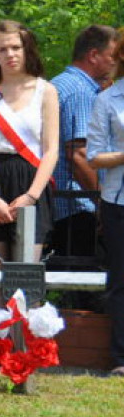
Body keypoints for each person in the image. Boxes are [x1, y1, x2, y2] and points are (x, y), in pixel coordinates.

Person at [0, 20, 59, 303]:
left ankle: (30, 344)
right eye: (3, 49)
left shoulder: (46, 91)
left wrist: (31, 195)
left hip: (32, 184)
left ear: (27, 48)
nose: (10, 54)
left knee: (28, 278)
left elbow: (51, 150)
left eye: (16, 47)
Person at [50, 25, 118, 292]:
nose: (116, 62)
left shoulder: (62, 84)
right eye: (113, 56)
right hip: (78, 207)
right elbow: (79, 155)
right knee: (88, 291)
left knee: (69, 286)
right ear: (93, 55)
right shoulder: (80, 91)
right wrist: (101, 202)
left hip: (65, 206)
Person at [86, 44, 124, 375]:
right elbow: (94, 156)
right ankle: (121, 358)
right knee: (121, 281)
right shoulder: (106, 99)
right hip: (119, 202)